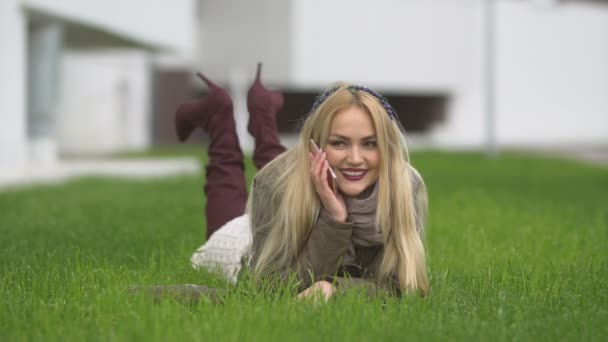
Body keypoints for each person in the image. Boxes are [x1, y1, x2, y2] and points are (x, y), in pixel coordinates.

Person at [175, 63, 429, 301]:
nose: (355, 158)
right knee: (232, 184)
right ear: (316, 144)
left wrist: (336, 290)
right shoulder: (273, 184)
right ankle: (218, 116)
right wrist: (334, 220)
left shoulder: (404, 185)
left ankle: (262, 111)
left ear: (387, 147)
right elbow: (271, 288)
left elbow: (404, 287)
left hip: (305, 181)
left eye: (370, 143)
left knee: (292, 171)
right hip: (243, 243)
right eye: (339, 142)